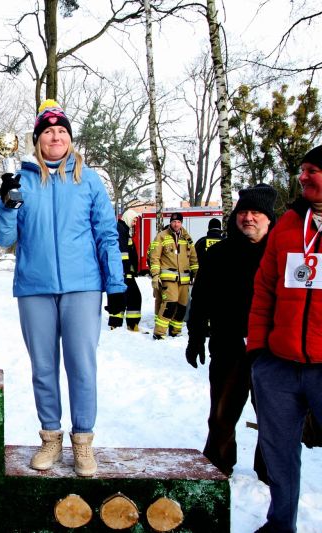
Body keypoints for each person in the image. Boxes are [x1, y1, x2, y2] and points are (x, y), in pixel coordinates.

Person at [0, 100, 126, 476]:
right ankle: (50, 438)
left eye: (62, 131)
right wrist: (7, 203)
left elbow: (106, 234)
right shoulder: (21, 178)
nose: (56, 136)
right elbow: (2, 238)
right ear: (37, 139)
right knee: (44, 367)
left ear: (70, 138)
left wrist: (116, 283)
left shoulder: (89, 180)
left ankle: (82, 442)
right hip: (34, 287)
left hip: (83, 286)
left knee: (82, 365)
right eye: (48, 131)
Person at [248, 145, 322, 533]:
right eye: (302, 170)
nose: (303, 177)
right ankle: (280, 525)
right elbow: (264, 289)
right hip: (279, 364)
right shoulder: (290, 225)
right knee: (278, 453)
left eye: (312, 171)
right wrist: (259, 350)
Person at [186, 184, 276, 483]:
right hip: (229, 344)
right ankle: (218, 463)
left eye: (256, 212)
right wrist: (196, 337)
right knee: (221, 414)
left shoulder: (282, 254)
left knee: (274, 415)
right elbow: (201, 299)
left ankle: (270, 468)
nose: (248, 218)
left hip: (273, 350)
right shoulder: (219, 254)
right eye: (243, 212)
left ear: (269, 217)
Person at [149, 212, 198, 339]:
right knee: (170, 304)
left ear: (181, 223)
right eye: (174, 222)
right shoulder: (161, 236)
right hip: (168, 278)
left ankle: (175, 331)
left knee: (182, 306)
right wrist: (155, 275)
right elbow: (154, 257)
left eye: (178, 222)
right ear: (170, 222)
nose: (176, 224)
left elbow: (193, 258)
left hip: (184, 279)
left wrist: (196, 274)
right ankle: (159, 333)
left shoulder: (187, 238)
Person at [108, 209, 142, 331]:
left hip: (124, 271)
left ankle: (119, 324)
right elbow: (123, 254)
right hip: (123, 272)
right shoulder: (120, 230)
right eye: (134, 220)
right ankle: (130, 325)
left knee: (125, 296)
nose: (134, 223)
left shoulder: (124, 229)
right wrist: (126, 271)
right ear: (128, 218)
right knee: (133, 296)